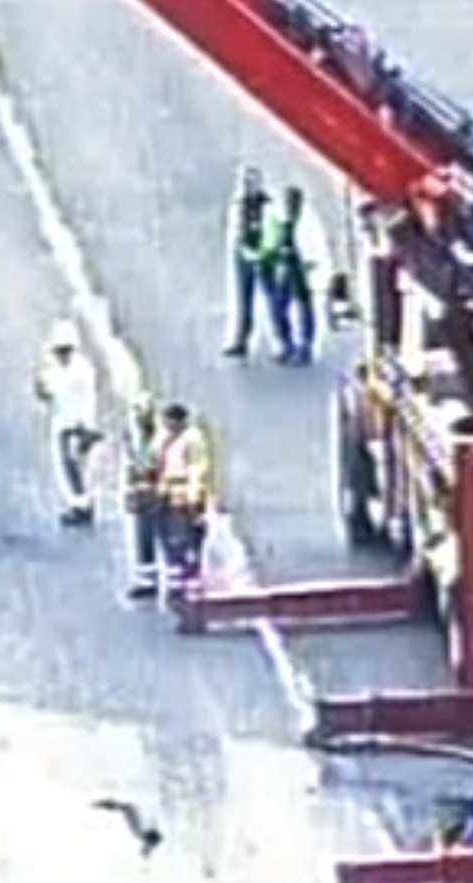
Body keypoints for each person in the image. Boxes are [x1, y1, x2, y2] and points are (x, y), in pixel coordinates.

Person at [33, 318, 101, 526]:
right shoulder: (53, 370)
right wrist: (40, 388)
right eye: (59, 351)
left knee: (79, 466)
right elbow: (47, 395)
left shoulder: (82, 370)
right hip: (61, 423)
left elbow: (89, 398)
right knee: (65, 466)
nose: (62, 355)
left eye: (66, 350)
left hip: (78, 424)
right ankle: (76, 503)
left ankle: (84, 504)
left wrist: (86, 425)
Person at [154, 402, 213, 599]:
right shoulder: (163, 438)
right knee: (169, 538)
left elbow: (197, 469)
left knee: (185, 538)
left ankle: (190, 579)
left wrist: (193, 498)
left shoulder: (192, 440)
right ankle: (176, 580)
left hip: (184, 493)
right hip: (167, 492)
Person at [222, 166, 273, 359]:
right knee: (244, 300)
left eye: (252, 182)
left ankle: (283, 341)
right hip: (243, 255)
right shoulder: (240, 204)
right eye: (246, 183)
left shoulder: (267, 205)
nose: (248, 186)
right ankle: (241, 340)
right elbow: (237, 229)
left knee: (273, 299)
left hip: (263, 255)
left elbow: (270, 229)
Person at [263, 185, 318, 365]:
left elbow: (313, 246)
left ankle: (305, 345)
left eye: (295, 203)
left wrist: (310, 264)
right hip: (283, 267)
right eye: (289, 203)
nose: (292, 207)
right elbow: (270, 243)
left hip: (300, 267)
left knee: (303, 305)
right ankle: (285, 344)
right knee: (279, 305)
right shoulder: (279, 221)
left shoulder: (307, 223)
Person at [120, 392, 164, 600]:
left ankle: (181, 582)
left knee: (173, 536)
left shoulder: (161, 436)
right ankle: (147, 579)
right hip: (144, 492)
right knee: (144, 536)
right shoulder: (132, 435)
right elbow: (131, 463)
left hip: (164, 491)